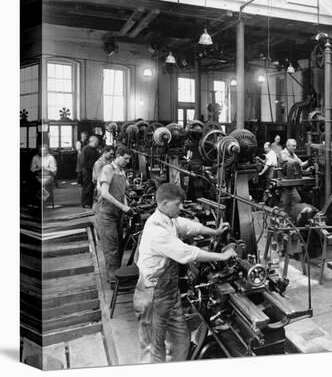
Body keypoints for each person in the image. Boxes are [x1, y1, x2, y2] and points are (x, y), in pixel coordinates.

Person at [133, 183, 237, 363]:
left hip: (169, 294)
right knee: (154, 348)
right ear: (165, 204)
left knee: (181, 340)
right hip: (152, 295)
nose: (181, 208)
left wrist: (215, 232)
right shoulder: (157, 229)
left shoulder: (169, 219)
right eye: (177, 204)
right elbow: (188, 253)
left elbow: (188, 226)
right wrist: (222, 256)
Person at [94, 147, 133, 285]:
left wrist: (127, 207)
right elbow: (104, 193)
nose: (127, 161)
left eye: (129, 159)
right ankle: (113, 280)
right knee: (111, 248)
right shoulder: (108, 169)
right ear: (118, 156)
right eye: (125, 158)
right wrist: (123, 207)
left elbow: (123, 193)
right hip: (106, 213)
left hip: (117, 213)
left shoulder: (122, 171)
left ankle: (117, 275)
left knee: (118, 245)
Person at [80, 135, 101, 208]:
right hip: (87, 171)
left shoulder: (95, 150)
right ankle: (85, 203)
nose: (97, 144)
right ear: (91, 141)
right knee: (87, 187)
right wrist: (90, 167)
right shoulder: (85, 149)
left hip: (93, 170)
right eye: (96, 142)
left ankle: (90, 202)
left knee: (91, 187)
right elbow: (83, 162)